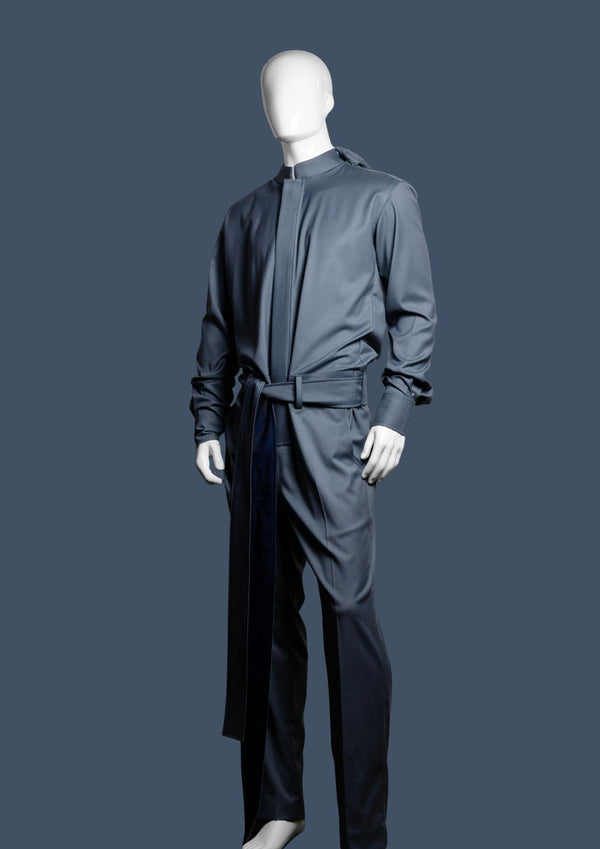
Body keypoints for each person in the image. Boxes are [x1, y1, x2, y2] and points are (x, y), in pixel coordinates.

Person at [189, 49, 437, 849]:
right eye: (271, 87)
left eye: (301, 84)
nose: (285, 98)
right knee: (263, 617)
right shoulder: (243, 215)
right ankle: (276, 806)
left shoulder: (383, 197)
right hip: (253, 427)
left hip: (335, 427)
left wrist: (395, 410)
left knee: (348, 616)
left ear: (331, 96)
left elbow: (414, 313)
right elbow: (219, 326)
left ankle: (364, 828)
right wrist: (207, 420)